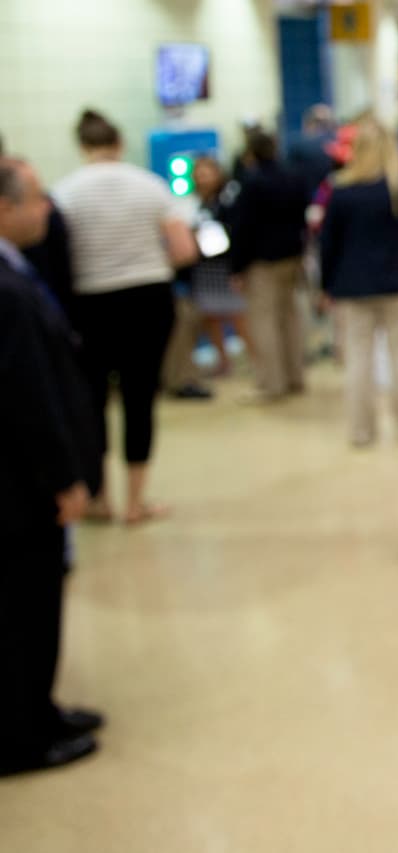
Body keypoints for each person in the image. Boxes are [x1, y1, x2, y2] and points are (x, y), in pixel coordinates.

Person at [0, 157, 104, 776]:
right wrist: (63, 477)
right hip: (19, 488)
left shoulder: (17, 272)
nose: (48, 210)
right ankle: (22, 734)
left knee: (35, 606)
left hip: (23, 482)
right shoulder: (7, 292)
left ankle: (40, 708)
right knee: (23, 611)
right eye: (37, 200)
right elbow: (26, 397)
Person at [53, 109, 198, 525]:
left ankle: (99, 497)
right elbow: (184, 249)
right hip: (148, 300)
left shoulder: (65, 192)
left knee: (92, 401)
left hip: (90, 303)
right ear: (119, 144)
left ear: (82, 146)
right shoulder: (151, 187)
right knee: (139, 398)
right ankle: (136, 501)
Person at [319, 118, 398, 447]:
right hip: (394, 284)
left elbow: (328, 243)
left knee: (358, 361)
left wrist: (326, 285)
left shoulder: (341, 191)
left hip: (351, 285)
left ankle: (362, 432)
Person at [229, 129, 310, 402]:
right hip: (292, 256)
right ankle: (295, 376)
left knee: (264, 322)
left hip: (261, 261)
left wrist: (236, 267)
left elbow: (243, 227)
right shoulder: (294, 176)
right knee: (290, 317)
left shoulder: (251, 182)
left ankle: (273, 383)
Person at [189, 156, 251, 377]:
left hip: (226, 264)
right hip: (206, 266)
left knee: (237, 314)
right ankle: (223, 361)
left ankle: (254, 358)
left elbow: (236, 230)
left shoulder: (228, 198)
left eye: (207, 172)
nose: (203, 178)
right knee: (211, 316)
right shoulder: (197, 202)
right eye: (200, 173)